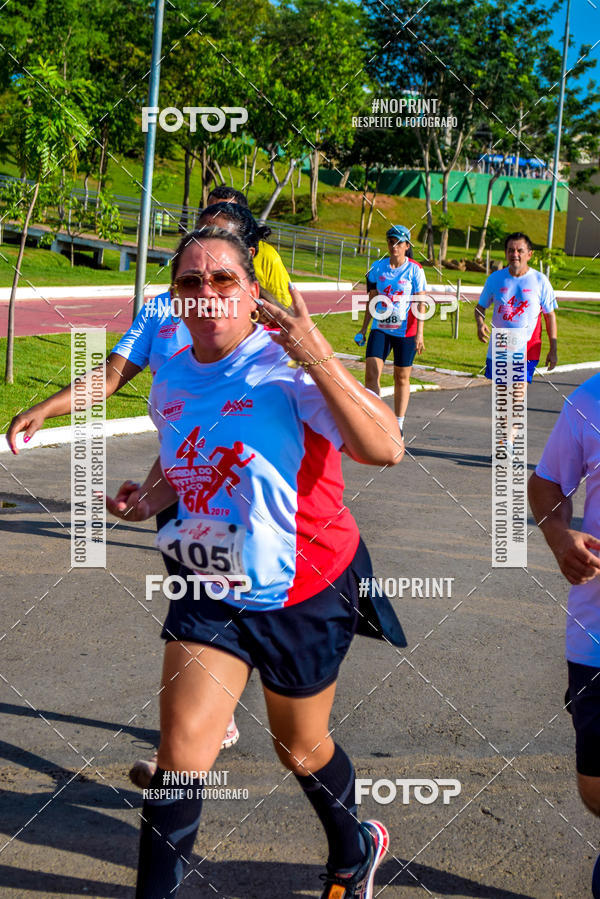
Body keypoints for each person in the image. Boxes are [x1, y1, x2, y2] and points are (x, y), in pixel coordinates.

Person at [106, 226, 404, 898]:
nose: (206, 293)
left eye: (222, 280)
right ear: (174, 300)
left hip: (310, 582)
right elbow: (183, 456)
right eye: (190, 282)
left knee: (299, 745)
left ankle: (356, 848)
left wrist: (320, 356)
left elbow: (387, 447)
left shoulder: (288, 368)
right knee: (181, 757)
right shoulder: (173, 375)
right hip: (214, 581)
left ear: (252, 293)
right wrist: (147, 495)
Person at [4, 204, 273, 767]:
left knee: (227, 609)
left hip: (245, 489)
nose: (205, 262)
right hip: (178, 482)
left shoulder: (259, 316)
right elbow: (107, 377)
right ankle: (192, 742)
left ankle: (197, 737)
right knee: (197, 605)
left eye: (221, 248)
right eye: (197, 245)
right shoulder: (159, 310)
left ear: (243, 257)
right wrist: (47, 408)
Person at [528, 373, 600, 897]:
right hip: (596, 632)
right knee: (595, 787)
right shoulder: (591, 399)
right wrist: (559, 537)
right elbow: (547, 482)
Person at [356, 225, 427, 436]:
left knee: (401, 378)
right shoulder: (377, 267)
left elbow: (420, 302)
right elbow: (372, 300)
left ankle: (398, 423)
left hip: (406, 331)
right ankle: (375, 420)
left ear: (406, 246)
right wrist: (363, 328)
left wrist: (420, 334)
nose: (393, 246)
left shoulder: (415, 269)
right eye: (390, 241)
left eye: (398, 242)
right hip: (381, 328)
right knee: (371, 373)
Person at [474, 231, 558, 383]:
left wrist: (553, 348)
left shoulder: (540, 280)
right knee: (503, 398)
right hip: (501, 344)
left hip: (528, 346)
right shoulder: (495, 278)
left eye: (520, 251)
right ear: (506, 253)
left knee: (517, 393)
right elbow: (480, 307)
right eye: (511, 250)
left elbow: (549, 315)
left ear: (529, 254)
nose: (515, 254)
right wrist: (480, 324)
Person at [206, 184, 293, 307]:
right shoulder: (197, 252)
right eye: (210, 210)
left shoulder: (267, 256)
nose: (212, 219)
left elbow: (284, 306)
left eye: (224, 213)